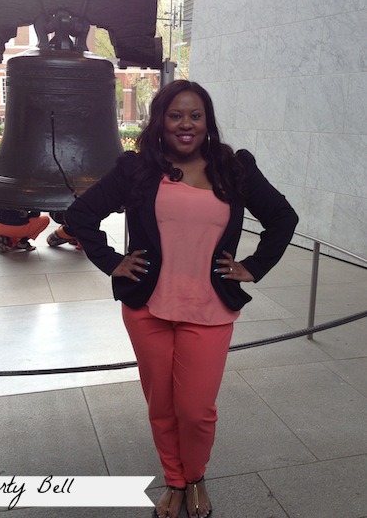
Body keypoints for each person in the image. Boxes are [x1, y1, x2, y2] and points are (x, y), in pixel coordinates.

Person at [66, 80, 298, 518]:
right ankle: (176, 482)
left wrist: (253, 265)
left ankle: (197, 474)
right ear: (161, 121)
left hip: (210, 308)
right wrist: (112, 260)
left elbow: (283, 217)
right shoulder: (137, 168)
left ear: (207, 121)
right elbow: (81, 213)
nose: (185, 124)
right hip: (147, 307)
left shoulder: (235, 168)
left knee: (195, 409)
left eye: (195, 115)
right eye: (175, 115)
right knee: (162, 404)